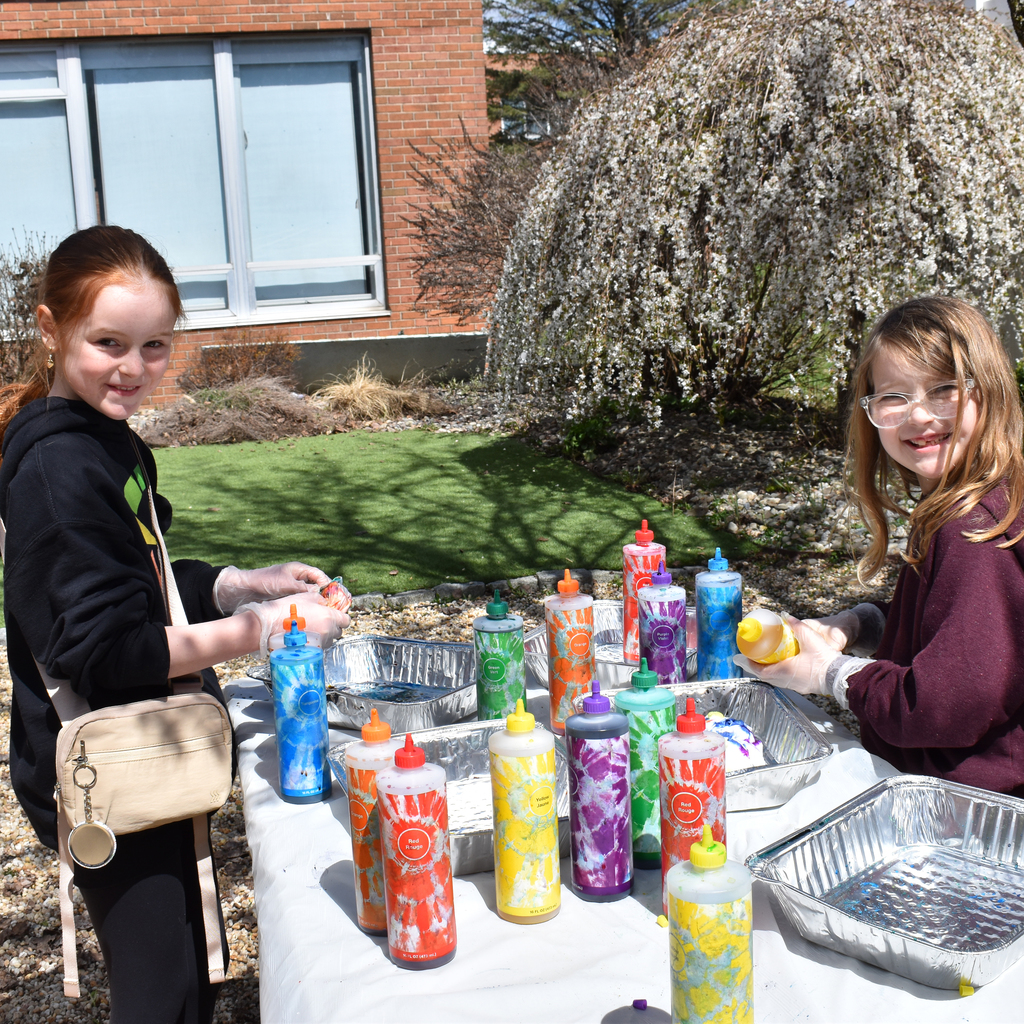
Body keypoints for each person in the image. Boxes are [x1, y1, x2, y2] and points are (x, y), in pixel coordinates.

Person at [0, 225, 349, 1023]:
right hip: (108, 769)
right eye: (108, 342)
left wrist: (234, 586)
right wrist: (266, 628)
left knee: (189, 974)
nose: (133, 368)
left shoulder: (103, 439)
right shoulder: (59, 468)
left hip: (151, 747)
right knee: (162, 995)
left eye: (154, 346)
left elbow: (139, 581)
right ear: (51, 329)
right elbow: (112, 650)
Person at [735, 296, 1024, 797]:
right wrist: (861, 624)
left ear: (989, 392)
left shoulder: (973, 527)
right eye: (894, 397)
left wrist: (828, 673)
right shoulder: (976, 498)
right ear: (871, 412)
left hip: (968, 816)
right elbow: (958, 628)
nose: (920, 416)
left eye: (944, 389)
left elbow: (941, 706)